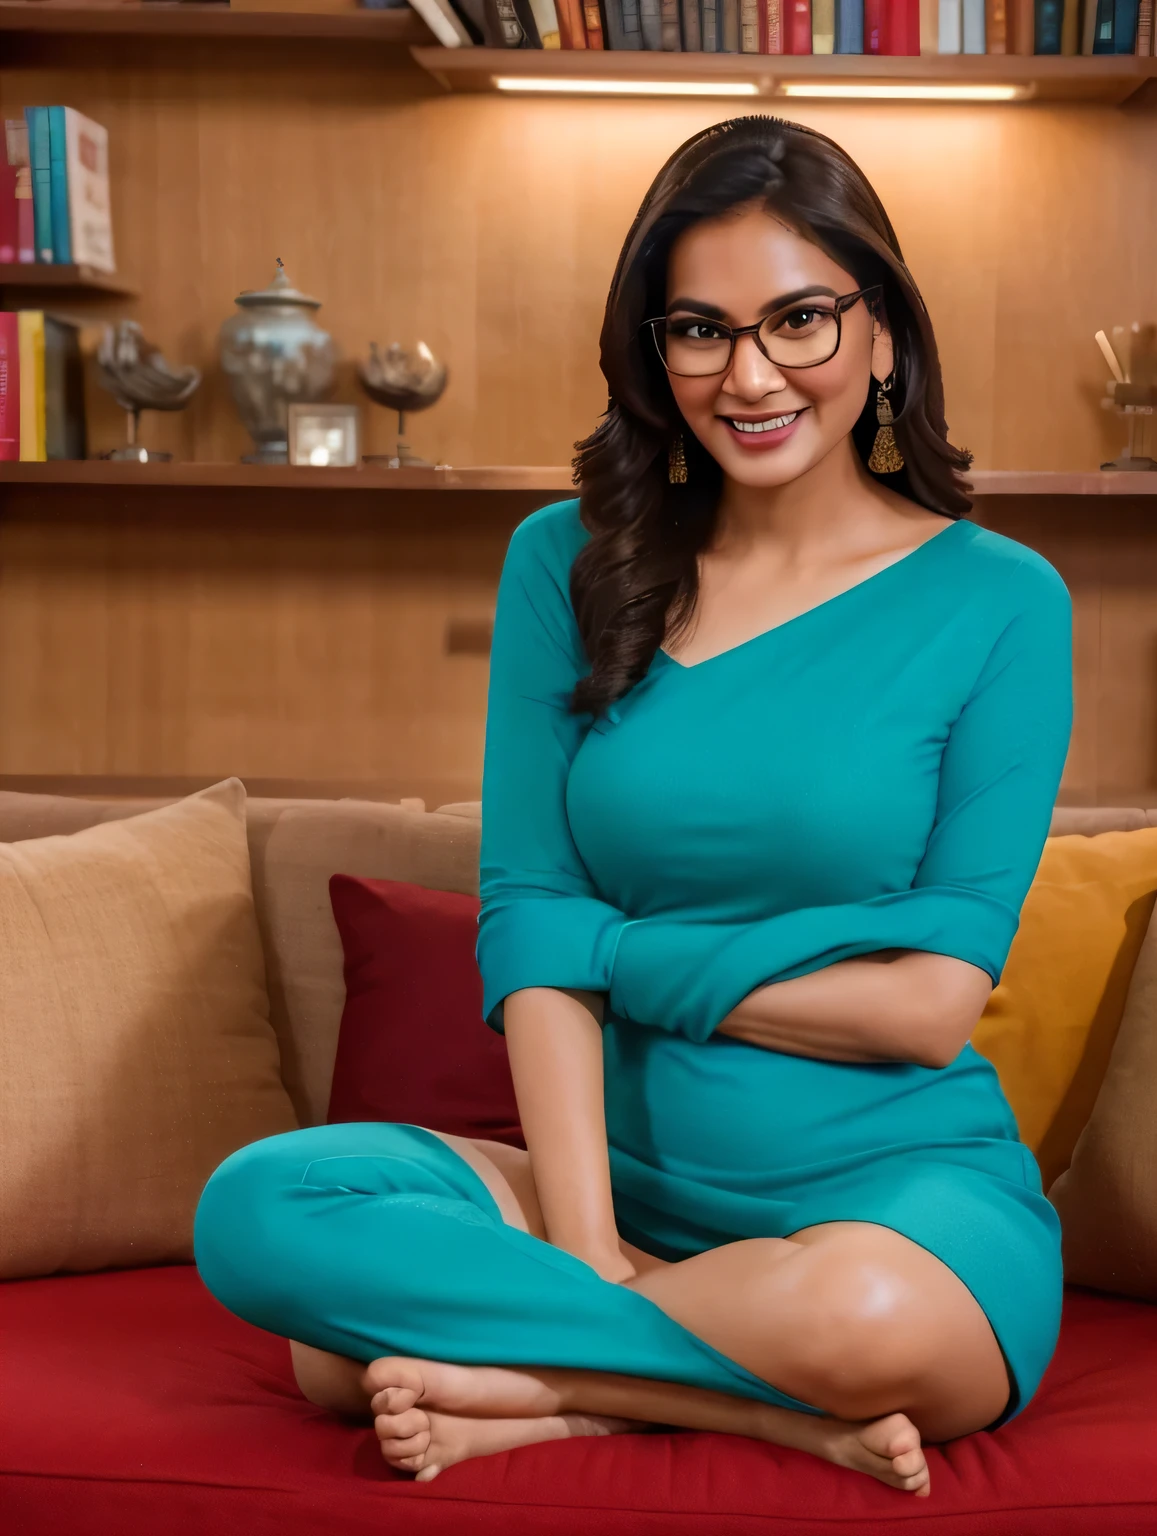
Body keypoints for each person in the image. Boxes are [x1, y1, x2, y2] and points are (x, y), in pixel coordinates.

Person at [194, 115, 1073, 1497]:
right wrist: (590, 1250)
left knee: (863, 1318)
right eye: (700, 331)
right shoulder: (568, 562)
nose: (752, 374)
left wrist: (611, 953)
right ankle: (750, 1406)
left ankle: (550, 1381)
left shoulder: (1001, 599)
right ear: (654, 354)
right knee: (262, 1211)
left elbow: (926, 1006)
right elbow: (529, 908)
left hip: (890, 1199)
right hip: (598, 1177)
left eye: (800, 320)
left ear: (886, 334)